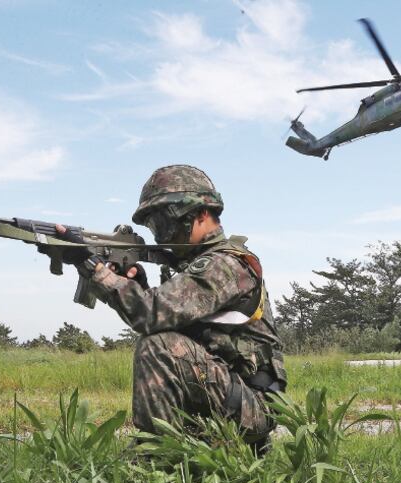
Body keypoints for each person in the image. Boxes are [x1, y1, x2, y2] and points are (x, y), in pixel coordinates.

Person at [70, 164, 287, 453]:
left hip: (252, 407)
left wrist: (93, 268)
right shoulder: (198, 265)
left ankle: (159, 458)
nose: (161, 236)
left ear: (201, 214)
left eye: (165, 223)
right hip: (234, 395)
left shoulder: (224, 264)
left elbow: (150, 315)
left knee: (158, 347)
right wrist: (140, 286)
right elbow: (177, 323)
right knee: (164, 341)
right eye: (154, 226)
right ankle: (190, 447)